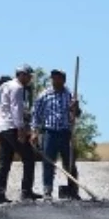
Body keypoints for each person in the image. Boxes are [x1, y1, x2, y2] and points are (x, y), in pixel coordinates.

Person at [0, 64, 40, 204]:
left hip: (2, 127)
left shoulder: (5, 86)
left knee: (4, 162)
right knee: (29, 157)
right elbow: (16, 109)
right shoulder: (18, 88)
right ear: (22, 74)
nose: (30, 78)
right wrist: (21, 129)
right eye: (29, 76)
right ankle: (26, 192)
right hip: (12, 127)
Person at [31, 68, 80, 198]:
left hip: (65, 133)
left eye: (58, 77)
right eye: (53, 77)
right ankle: (47, 190)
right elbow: (36, 115)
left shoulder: (69, 95)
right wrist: (35, 132)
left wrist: (75, 107)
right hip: (50, 133)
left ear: (63, 80)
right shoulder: (44, 95)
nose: (55, 80)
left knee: (69, 162)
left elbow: (77, 114)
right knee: (48, 162)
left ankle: (72, 190)